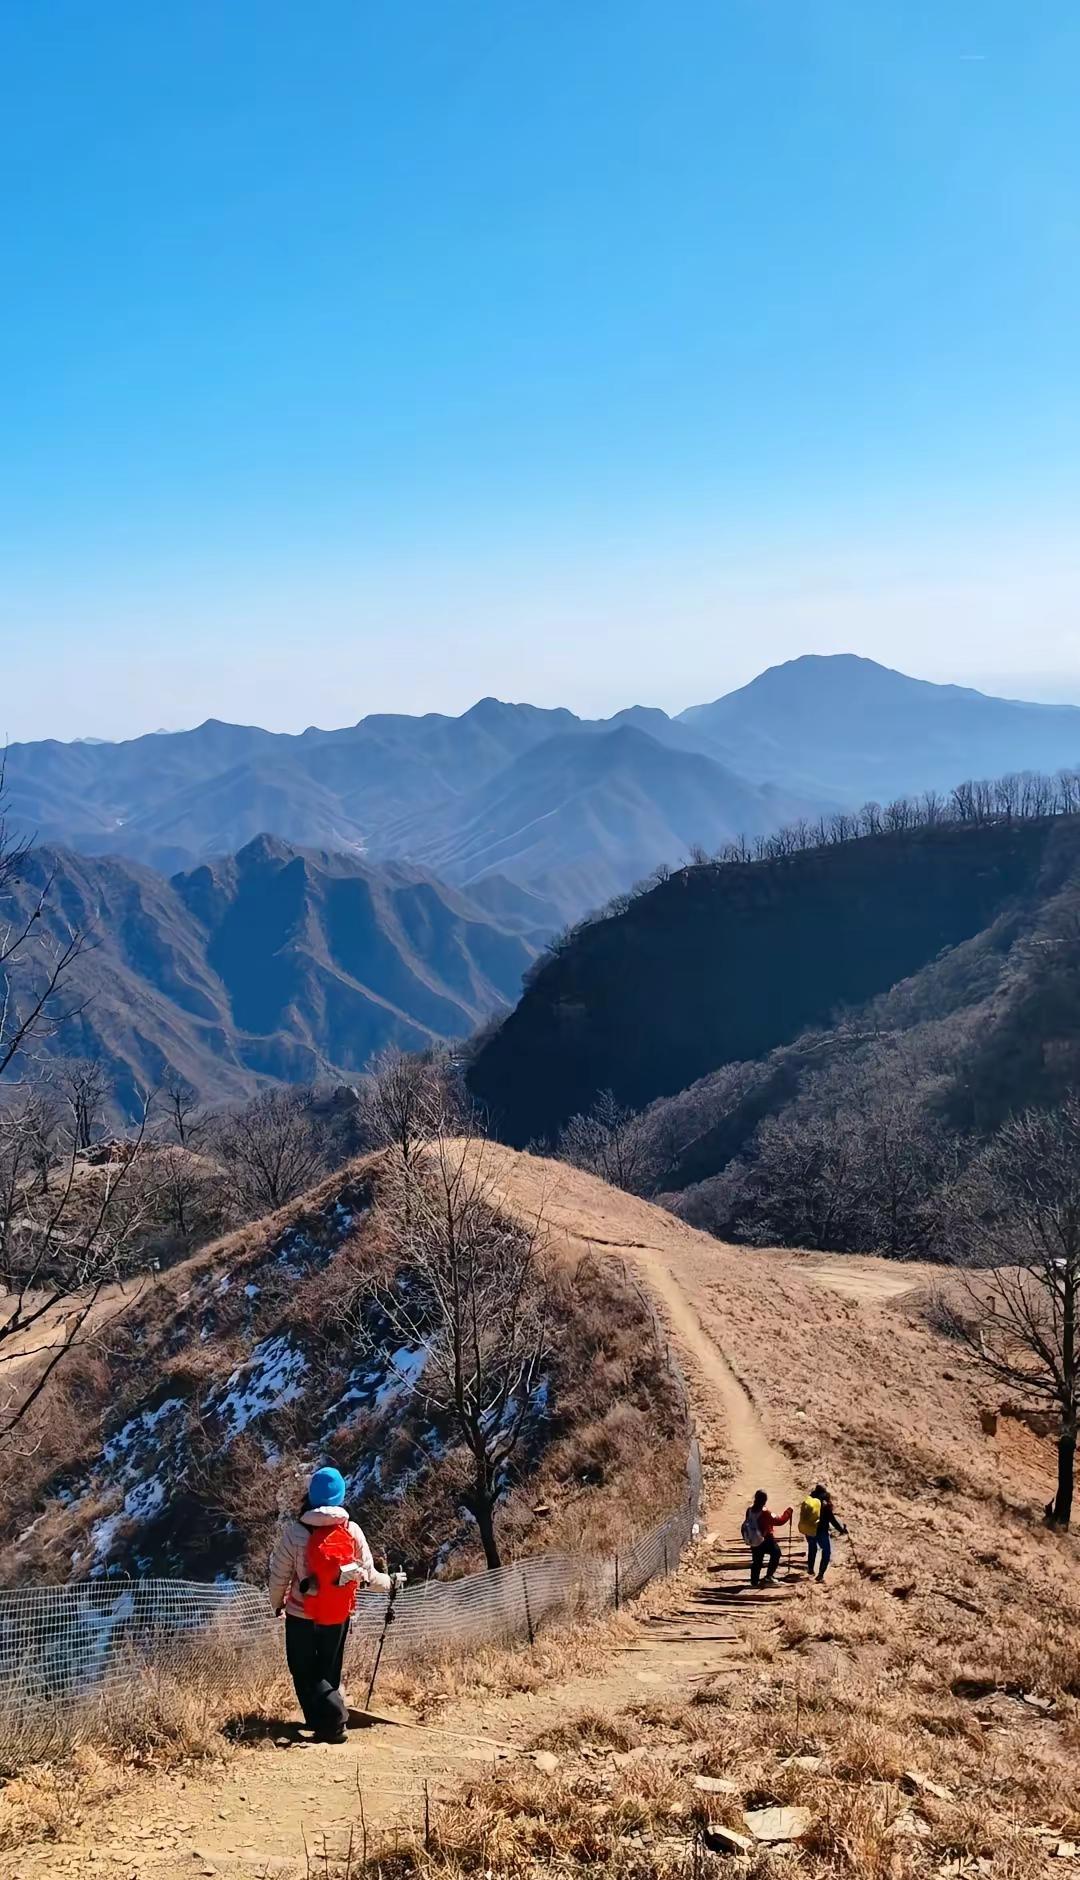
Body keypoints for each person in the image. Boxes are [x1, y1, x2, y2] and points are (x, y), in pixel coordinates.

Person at [268, 1465, 392, 1742]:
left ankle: (331, 1721)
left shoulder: (295, 1533)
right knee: (328, 1670)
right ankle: (326, 1723)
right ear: (341, 1496)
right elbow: (369, 1575)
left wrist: (276, 1604)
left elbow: (279, 1576)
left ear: (311, 1495)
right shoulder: (351, 1530)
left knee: (302, 1670)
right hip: (338, 1613)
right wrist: (391, 1583)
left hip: (301, 1614)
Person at [742, 1488, 792, 1587]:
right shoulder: (765, 1512)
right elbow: (779, 1521)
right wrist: (788, 1512)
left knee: (757, 1561)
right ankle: (769, 1576)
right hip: (766, 1539)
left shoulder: (750, 1510)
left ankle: (754, 1581)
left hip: (753, 1539)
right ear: (765, 1500)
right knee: (776, 1553)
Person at [799, 1482, 847, 1583]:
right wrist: (841, 1530)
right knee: (826, 1551)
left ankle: (810, 1569)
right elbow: (832, 1520)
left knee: (812, 1548)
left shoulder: (810, 1500)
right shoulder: (825, 1504)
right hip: (821, 1531)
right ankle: (820, 1575)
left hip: (809, 1529)